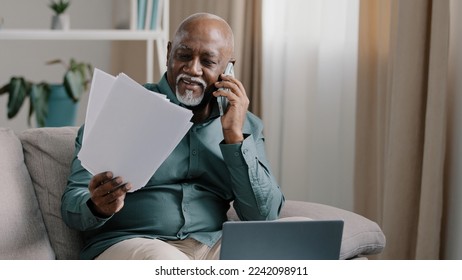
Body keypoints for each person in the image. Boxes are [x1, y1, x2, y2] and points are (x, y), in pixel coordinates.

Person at [61, 12, 284, 260]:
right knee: (168, 264)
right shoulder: (119, 108)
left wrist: (234, 135)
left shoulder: (243, 124)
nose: (192, 69)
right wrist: (97, 206)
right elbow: (72, 205)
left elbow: (264, 216)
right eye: (184, 55)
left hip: (212, 245)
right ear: (169, 53)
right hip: (133, 244)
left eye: (208, 61)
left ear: (228, 68)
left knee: (293, 242)